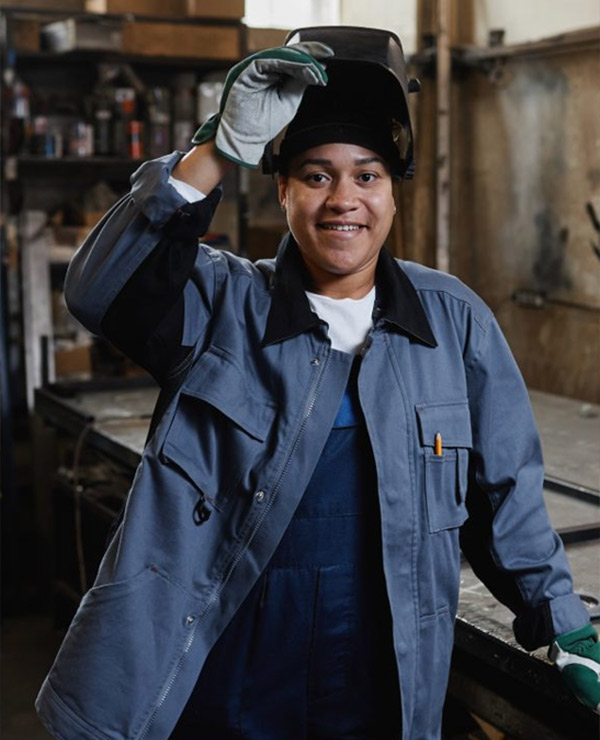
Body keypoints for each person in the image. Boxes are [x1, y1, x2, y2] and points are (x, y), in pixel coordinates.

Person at [36, 26, 598, 740]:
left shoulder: (454, 323)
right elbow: (99, 291)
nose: (343, 200)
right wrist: (215, 151)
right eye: (316, 175)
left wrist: (565, 625)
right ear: (282, 189)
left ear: (393, 194)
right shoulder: (220, 304)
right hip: (226, 687)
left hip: (379, 686)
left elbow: (506, 495)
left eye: (367, 176)